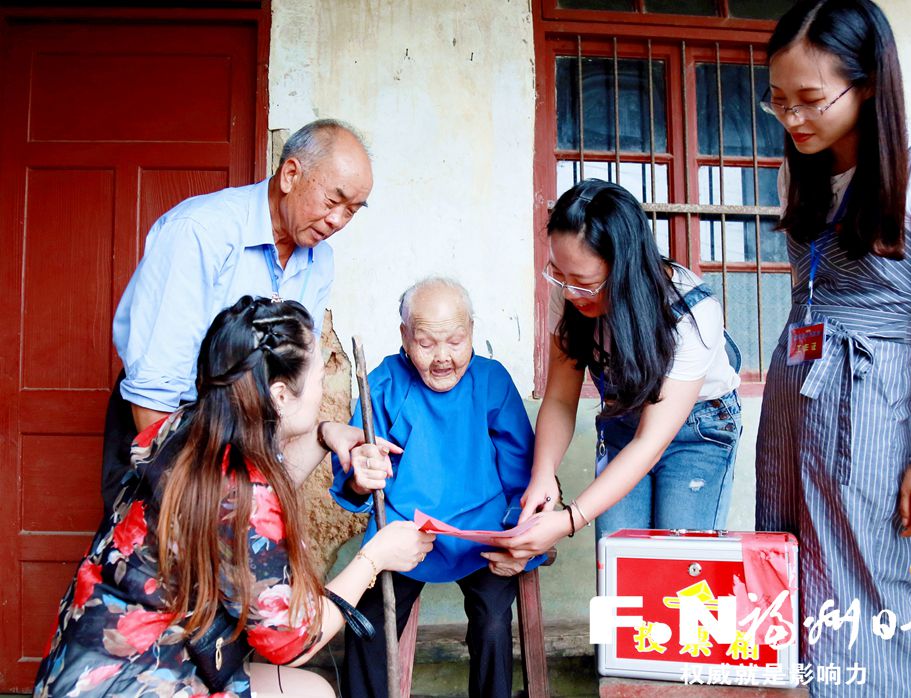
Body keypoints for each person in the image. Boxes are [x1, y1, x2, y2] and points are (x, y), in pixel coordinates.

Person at [34, 296, 435, 697]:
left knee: (310, 691)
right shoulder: (242, 484)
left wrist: (323, 434)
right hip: (138, 680)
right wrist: (375, 557)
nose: (322, 388)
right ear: (280, 395)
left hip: (82, 665)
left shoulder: (193, 426)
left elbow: (248, 510)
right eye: (317, 378)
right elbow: (294, 641)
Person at [754, 1, 911, 695]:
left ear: (871, 83)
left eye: (812, 100)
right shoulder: (802, 172)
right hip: (793, 395)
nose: (793, 118)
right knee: (787, 572)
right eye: (779, 101)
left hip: (870, 404)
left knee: (862, 588)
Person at [103, 119, 374, 513]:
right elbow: (153, 393)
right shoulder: (200, 232)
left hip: (243, 443)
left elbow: (289, 377)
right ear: (291, 174)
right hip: (165, 434)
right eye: (333, 202)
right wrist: (193, 495)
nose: (338, 221)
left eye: (352, 210)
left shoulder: (319, 260)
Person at [503, 179, 742, 557]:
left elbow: (650, 441)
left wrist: (567, 521)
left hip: (698, 430)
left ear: (627, 268)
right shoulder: (569, 294)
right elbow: (561, 399)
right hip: (623, 419)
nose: (568, 292)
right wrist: (543, 474)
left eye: (584, 282)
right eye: (559, 275)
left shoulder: (691, 312)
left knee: (678, 565)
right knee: (620, 560)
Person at [330, 277, 543, 698]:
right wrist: (360, 475)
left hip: (482, 534)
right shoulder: (386, 382)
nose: (443, 358)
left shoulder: (491, 380)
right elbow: (355, 476)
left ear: (472, 334)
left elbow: (522, 473)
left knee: (495, 623)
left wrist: (520, 537)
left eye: (456, 341)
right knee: (367, 620)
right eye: (426, 343)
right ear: (405, 338)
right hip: (404, 533)